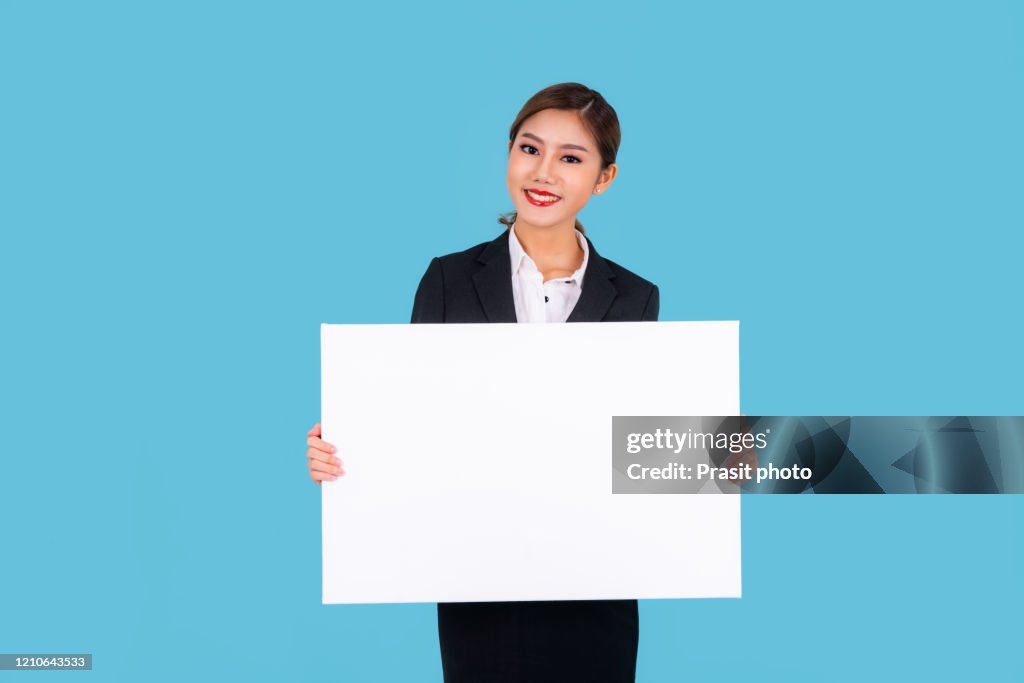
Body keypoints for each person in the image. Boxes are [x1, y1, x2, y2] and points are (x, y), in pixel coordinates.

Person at [306, 82, 659, 682]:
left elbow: (635, 440)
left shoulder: (635, 296)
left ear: (604, 179)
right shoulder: (446, 279)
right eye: (530, 148)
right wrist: (343, 453)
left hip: (594, 584)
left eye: (571, 158)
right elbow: (410, 420)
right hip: (478, 584)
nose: (544, 172)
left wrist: (712, 452)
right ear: (509, 154)